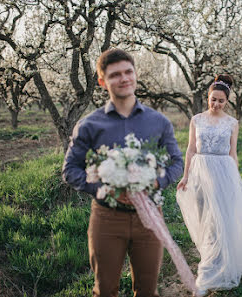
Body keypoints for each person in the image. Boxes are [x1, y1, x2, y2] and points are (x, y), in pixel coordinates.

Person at [62, 48, 183, 297]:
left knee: (148, 289)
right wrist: (104, 190)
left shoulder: (159, 122)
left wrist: (157, 183)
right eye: (115, 74)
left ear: (136, 75)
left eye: (129, 72)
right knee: (105, 290)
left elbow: (176, 163)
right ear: (102, 81)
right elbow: (70, 170)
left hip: (149, 217)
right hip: (107, 218)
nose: (124, 78)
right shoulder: (89, 124)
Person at [176, 75, 242, 295]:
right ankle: (209, 255)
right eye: (213, 99)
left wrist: (235, 180)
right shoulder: (196, 120)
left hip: (223, 173)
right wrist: (186, 176)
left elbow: (233, 153)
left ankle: (208, 272)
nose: (216, 104)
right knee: (204, 219)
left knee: (219, 219)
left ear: (227, 101)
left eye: (221, 101)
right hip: (200, 173)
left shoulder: (232, 123)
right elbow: (191, 149)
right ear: (207, 98)